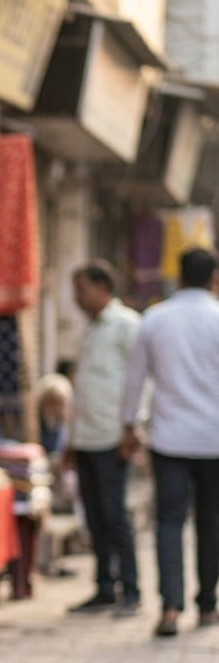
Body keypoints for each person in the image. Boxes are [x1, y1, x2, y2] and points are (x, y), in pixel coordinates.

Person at [121, 247, 219, 638]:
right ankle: (207, 605)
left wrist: (129, 425)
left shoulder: (156, 319)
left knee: (169, 521)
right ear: (214, 279)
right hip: (213, 439)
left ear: (177, 276)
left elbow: (134, 380)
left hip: (169, 438)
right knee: (212, 522)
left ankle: (171, 608)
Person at [67, 261, 142, 615]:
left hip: (113, 436)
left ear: (102, 288)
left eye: (81, 289)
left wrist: (134, 427)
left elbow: (142, 380)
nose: (77, 298)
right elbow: (83, 390)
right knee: (95, 517)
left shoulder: (126, 324)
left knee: (115, 515)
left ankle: (131, 589)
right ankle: (104, 587)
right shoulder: (91, 329)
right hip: (86, 437)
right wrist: (71, 440)